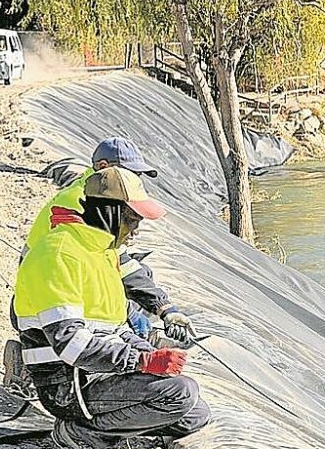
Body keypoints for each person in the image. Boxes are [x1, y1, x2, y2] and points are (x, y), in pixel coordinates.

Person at [12, 166, 210, 449]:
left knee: (196, 414)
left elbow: (115, 326)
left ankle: (111, 421)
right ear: (108, 213)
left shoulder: (103, 250)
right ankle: (81, 434)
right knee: (181, 394)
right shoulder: (60, 255)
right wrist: (142, 362)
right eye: (131, 220)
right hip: (69, 384)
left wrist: (152, 347)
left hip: (99, 371)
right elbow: (72, 346)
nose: (136, 230)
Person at [24, 137, 196, 347]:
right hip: (51, 300)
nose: (135, 181)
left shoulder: (94, 197)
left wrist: (164, 307)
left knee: (142, 272)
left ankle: (137, 336)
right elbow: (92, 271)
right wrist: (128, 314)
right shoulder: (82, 203)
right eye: (129, 174)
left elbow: (120, 262)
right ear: (103, 167)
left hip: (64, 285)